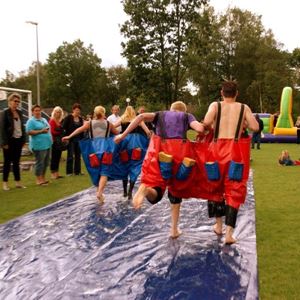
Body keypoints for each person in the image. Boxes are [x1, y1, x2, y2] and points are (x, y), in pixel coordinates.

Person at [115, 101, 205, 238]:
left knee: (156, 190)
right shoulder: (187, 116)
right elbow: (199, 129)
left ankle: (146, 190)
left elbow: (140, 117)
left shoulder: (160, 115)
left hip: (158, 152)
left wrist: (122, 135)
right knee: (177, 189)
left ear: (171, 109)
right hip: (180, 154)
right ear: (183, 110)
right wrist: (208, 126)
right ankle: (174, 230)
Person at [203, 80, 259, 244]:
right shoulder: (244, 107)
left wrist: (214, 123)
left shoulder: (215, 106)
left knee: (214, 186)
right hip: (236, 151)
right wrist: (244, 122)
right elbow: (255, 127)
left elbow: (206, 122)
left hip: (216, 150)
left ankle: (218, 226)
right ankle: (228, 235)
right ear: (236, 94)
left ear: (222, 93)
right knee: (234, 189)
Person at [62, 105, 119, 201]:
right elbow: (117, 133)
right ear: (103, 113)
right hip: (106, 149)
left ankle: (99, 192)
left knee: (96, 171)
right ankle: (100, 192)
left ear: (95, 113)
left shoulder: (90, 123)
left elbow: (78, 130)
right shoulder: (108, 124)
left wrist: (69, 136)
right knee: (105, 172)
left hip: (93, 150)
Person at [113, 105, 151, 200]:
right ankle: (130, 192)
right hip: (137, 146)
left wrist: (118, 135)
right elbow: (147, 132)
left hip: (124, 145)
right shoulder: (138, 120)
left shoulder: (122, 119)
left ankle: (125, 191)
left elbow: (112, 127)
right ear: (134, 112)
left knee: (124, 165)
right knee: (136, 166)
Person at [0, 93, 26, 190]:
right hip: (9, 141)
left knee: (16, 162)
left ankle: (18, 182)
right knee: (7, 162)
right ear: (10, 101)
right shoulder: (5, 112)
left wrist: (23, 140)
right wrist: (4, 143)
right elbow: (2, 129)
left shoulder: (19, 112)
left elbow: (22, 127)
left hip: (18, 140)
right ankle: (5, 183)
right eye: (15, 101)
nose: (17, 103)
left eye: (18, 102)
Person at [26, 105, 52, 185]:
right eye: (36, 110)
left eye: (39, 110)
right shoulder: (31, 121)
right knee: (40, 162)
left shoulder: (43, 119)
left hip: (47, 144)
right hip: (38, 145)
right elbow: (29, 132)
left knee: (46, 162)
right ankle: (38, 179)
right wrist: (41, 131)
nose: (38, 112)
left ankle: (43, 178)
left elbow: (47, 129)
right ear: (33, 112)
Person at [62, 103, 84, 176]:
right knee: (70, 156)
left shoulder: (80, 119)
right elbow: (63, 128)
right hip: (71, 139)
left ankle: (77, 171)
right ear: (73, 110)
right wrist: (66, 137)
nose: (78, 111)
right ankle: (69, 172)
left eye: (79, 110)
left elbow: (82, 129)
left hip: (79, 140)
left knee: (78, 156)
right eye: (76, 110)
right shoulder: (68, 118)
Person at [49, 106, 65, 179]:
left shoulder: (60, 121)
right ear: (54, 112)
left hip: (59, 142)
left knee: (58, 157)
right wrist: (60, 132)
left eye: (59, 112)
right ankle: (52, 174)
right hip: (54, 141)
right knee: (54, 158)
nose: (57, 113)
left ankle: (57, 173)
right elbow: (52, 132)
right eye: (56, 112)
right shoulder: (52, 121)